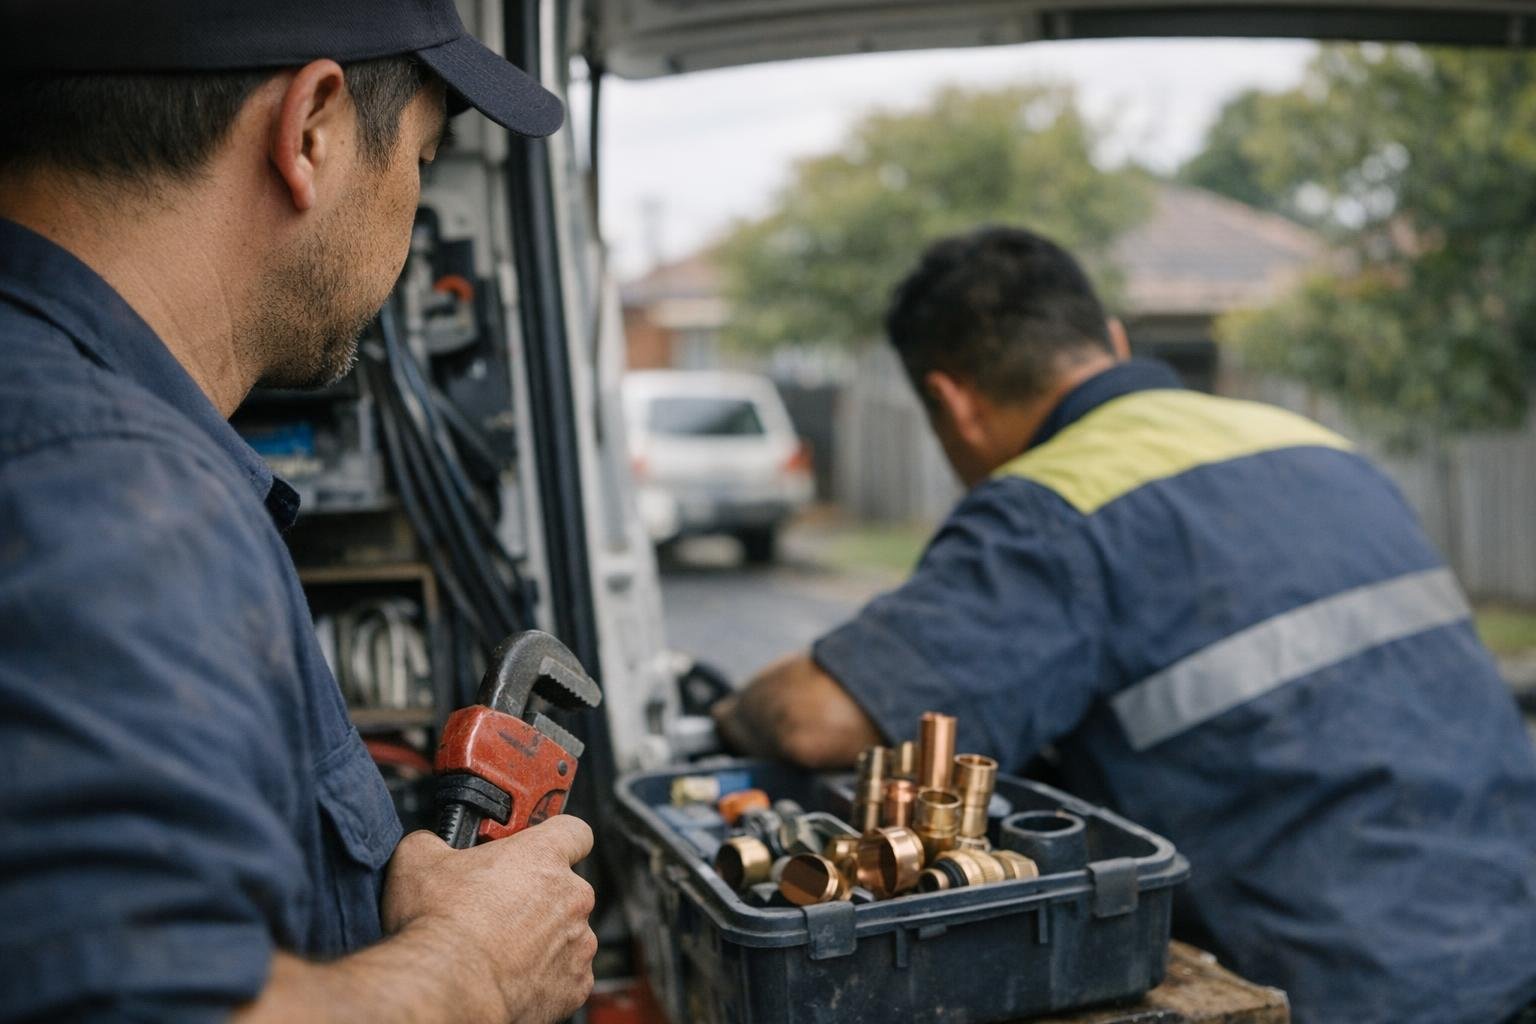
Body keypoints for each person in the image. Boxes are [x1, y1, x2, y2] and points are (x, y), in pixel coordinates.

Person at [713, 226, 1536, 1024]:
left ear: (953, 403)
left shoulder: (1055, 506)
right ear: (1111, 337)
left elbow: (819, 718)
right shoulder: (1319, 445)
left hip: (1345, 991)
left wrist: (736, 709)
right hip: (1514, 937)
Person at [0, 3, 596, 1021]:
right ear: (312, 128)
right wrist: (475, 966)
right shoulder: (108, 491)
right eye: (420, 158)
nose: (410, 210)